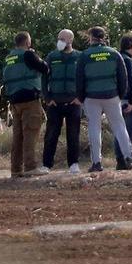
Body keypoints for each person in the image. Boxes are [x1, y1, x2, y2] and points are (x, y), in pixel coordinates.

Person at [76, 26, 132, 172]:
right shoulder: (114, 53)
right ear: (104, 37)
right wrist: (120, 95)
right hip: (111, 95)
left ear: (91, 38)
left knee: (94, 129)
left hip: (91, 97)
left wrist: (82, 98)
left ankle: (96, 162)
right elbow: (124, 78)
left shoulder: (84, 56)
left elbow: (79, 79)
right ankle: (129, 158)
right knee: (120, 127)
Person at [3, 32, 50, 178]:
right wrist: (35, 55)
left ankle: (16, 169)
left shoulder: (9, 58)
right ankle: (31, 167)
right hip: (30, 98)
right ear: (27, 42)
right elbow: (45, 68)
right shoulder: (28, 55)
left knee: (18, 136)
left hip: (15, 101)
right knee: (30, 133)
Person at [42, 29, 83, 174]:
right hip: (55, 103)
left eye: (63, 39)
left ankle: (73, 164)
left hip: (74, 103)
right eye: (59, 38)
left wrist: (80, 98)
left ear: (71, 40)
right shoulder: (52, 57)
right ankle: (46, 165)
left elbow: (84, 78)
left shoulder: (79, 56)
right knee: (51, 134)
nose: (60, 41)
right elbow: (44, 78)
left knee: (73, 135)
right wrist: (47, 98)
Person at [113, 33, 132, 170]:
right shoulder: (127, 60)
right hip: (130, 100)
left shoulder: (117, 58)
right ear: (131, 45)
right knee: (129, 132)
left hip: (118, 100)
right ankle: (129, 159)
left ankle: (121, 161)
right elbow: (129, 81)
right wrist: (131, 101)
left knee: (120, 132)